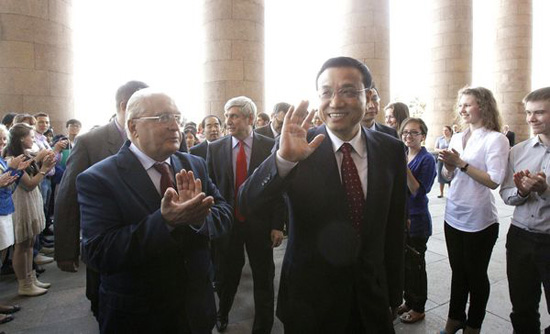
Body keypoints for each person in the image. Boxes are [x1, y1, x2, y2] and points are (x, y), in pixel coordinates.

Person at [238, 57, 407, 333]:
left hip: (371, 300)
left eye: (349, 91)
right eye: (326, 92)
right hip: (309, 302)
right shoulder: (297, 145)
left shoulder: (391, 150)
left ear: (369, 96)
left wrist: (394, 294)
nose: (336, 102)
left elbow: (394, 228)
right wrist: (283, 160)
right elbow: (248, 202)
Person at [77, 88, 232, 333]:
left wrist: (199, 219)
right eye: (162, 118)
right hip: (140, 316)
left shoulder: (194, 164)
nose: (174, 126)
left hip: (196, 310)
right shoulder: (98, 178)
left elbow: (225, 213)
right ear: (133, 127)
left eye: (177, 117)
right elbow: (99, 252)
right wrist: (165, 222)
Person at [54, 80, 149, 318]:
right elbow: (68, 196)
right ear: (126, 105)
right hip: (107, 248)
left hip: (152, 244)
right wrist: (66, 250)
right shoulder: (90, 142)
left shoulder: (167, 136)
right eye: (147, 105)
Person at [207, 96, 283, 333]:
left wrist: (277, 224)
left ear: (250, 118)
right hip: (228, 225)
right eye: (226, 116)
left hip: (260, 225)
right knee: (226, 275)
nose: (227, 121)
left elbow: (278, 189)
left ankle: (263, 326)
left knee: (263, 276)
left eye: (234, 116)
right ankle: (222, 313)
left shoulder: (269, 145)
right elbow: (212, 186)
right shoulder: (215, 148)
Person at [438, 86, 510, 334]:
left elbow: (494, 180)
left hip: (479, 219)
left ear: (484, 106)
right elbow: (450, 176)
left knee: (476, 275)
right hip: (453, 214)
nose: (462, 109)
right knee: (458, 271)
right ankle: (454, 318)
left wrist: (461, 163)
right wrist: (449, 166)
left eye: (468, 104)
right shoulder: (457, 137)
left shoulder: (495, 138)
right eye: (461, 105)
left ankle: (474, 324)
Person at [499, 87, 550, 334]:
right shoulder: (517, 151)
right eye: (529, 112)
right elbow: (506, 194)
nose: (531, 118)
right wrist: (521, 192)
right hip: (520, 237)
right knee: (522, 307)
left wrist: (545, 190)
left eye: (539, 112)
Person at [5, 123, 56, 296]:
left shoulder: (26, 154)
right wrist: (43, 169)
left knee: (30, 242)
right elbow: (28, 184)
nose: (33, 140)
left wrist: (42, 161)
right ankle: (24, 283)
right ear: (21, 138)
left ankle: (31, 278)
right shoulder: (11, 158)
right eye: (31, 136)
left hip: (31, 200)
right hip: (22, 202)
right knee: (22, 244)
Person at [396, 118, 436, 324]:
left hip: (417, 220)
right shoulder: (403, 154)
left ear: (423, 136)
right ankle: (409, 301)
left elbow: (418, 191)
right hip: (402, 218)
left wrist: (403, 168)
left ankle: (418, 307)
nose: (408, 136)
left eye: (414, 133)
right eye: (405, 133)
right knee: (405, 265)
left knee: (416, 266)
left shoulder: (427, 159)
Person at [0, 124, 30, 324]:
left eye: (3, 139)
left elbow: (7, 183)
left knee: (1, 257)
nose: (2, 143)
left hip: (4, 210)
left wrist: (16, 172)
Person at [433, 125, 453, 198]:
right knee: (441, 176)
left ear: (450, 131)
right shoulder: (439, 139)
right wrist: (442, 150)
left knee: (451, 176)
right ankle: (441, 193)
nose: (444, 132)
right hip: (441, 158)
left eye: (446, 130)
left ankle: (451, 193)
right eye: (443, 130)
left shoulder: (453, 139)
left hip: (450, 160)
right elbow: (435, 148)